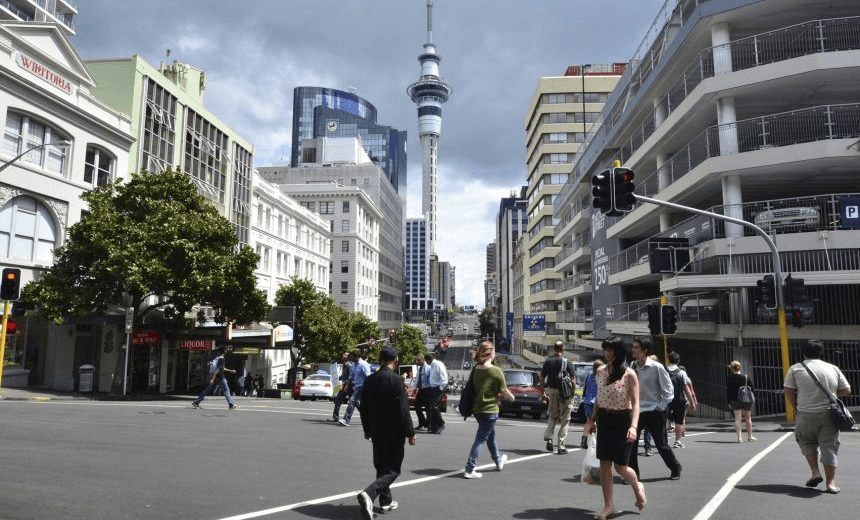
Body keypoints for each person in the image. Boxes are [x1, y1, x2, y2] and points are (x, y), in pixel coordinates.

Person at [583, 336, 646, 520]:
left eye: (611, 350)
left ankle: (637, 486)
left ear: (618, 352)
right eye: (605, 350)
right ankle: (608, 505)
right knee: (604, 464)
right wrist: (591, 420)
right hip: (604, 419)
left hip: (622, 420)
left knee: (621, 467)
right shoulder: (601, 371)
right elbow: (598, 399)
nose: (607, 353)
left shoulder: (629, 374)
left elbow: (635, 404)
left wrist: (634, 427)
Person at [784, 339, 851, 494]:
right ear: (821, 353)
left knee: (806, 442)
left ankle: (815, 472)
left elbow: (788, 390)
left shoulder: (795, 368)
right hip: (829, 414)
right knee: (829, 447)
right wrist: (832, 394)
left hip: (805, 414)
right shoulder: (833, 368)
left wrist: (795, 408)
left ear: (803, 352)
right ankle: (831, 484)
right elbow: (847, 390)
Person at [356, 347, 416, 519]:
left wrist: (367, 429)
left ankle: (386, 502)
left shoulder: (370, 380)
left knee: (382, 467)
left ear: (380, 359)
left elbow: (363, 408)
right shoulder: (397, 380)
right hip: (394, 431)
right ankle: (369, 493)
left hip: (376, 430)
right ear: (395, 360)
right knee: (393, 469)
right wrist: (410, 432)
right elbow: (403, 410)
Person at [628, 336, 682, 480]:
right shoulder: (632, 366)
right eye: (633, 347)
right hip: (637, 411)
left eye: (636, 348)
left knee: (661, 444)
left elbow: (669, 390)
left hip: (654, 411)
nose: (633, 350)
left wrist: (660, 406)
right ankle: (634, 475)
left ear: (644, 351)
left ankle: (675, 467)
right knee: (631, 443)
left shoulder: (657, 367)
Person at [463, 341, 515, 479]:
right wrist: (512, 397)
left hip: (477, 410)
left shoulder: (476, 370)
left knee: (490, 436)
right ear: (491, 353)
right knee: (481, 439)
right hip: (490, 410)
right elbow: (504, 391)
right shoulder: (496, 370)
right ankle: (470, 468)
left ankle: (498, 461)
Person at [541, 340, 576, 454]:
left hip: (553, 391)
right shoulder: (568, 362)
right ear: (563, 349)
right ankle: (561, 446)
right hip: (565, 393)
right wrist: (572, 393)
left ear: (554, 349)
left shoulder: (548, 361)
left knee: (552, 415)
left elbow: (542, 379)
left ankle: (549, 438)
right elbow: (573, 381)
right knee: (565, 420)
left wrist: (543, 393)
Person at [192, 346, 238, 410]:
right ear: (224, 351)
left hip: (216, 377)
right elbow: (218, 369)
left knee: (207, 390)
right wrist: (213, 378)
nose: (227, 350)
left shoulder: (217, 358)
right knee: (226, 390)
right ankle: (231, 404)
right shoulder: (222, 359)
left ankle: (196, 402)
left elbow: (221, 368)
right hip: (220, 377)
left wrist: (230, 371)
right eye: (226, 349)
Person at [667, 351, 697, 448]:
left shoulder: (664, 370)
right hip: (679, 400)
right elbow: (687, 388)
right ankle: (677, 441)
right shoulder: (681, 372)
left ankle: (663, 439)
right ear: (678, 361)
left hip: (666, 400)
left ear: (669, 359)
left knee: (664, 419)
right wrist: (692, 402)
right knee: (679, 421)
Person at [338, 351, 371, 427]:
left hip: (363, 386)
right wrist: (346, 386)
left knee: (352, 400)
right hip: (357, 386)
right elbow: (351, 377)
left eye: (352, 357)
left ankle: (346, 420)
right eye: (350, 357)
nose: (351, 358)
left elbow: (368, 377)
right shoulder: (353, 365)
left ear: (357, 357)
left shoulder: (364, 364)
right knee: (360, 404)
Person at [726, 360, 756, 443]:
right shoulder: (746, 378)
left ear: (732, 369)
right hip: (746, 400)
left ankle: (739, 438)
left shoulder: (729, 379)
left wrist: (729, 402)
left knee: (737, 418)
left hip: (735, 401)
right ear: (740, 367)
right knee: (748, 418)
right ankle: (750, 436)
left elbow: (728, 391)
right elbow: (752, 390)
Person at [580, 359, 604, 450]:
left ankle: (584, 440)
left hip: (587, 400)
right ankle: (594, 441)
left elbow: (585, 389)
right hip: (596, 402)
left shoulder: (589, 375)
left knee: (588, 422)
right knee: (596, 422)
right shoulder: (601, 376)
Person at [424, 353, 448, 434]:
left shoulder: (438, 364)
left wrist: (441, 389)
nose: (426, 363)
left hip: (439, 387)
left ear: (428, 360)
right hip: (434, 388)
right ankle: (434, 427)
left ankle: (441, 423)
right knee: (432, 407)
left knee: (434, 406)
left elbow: (444, 377)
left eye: (426, 361)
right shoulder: (432, 365)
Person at [330, 352, 353, 422]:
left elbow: (351, 377)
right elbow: (344, 376)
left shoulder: (350, 365)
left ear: (348, 357)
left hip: (349, 386)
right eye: (343, 354)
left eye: (345, 355)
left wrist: (346, 385)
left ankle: (366, 417)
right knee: (338, 400)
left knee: (355, 403)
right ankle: (335, 417)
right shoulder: (344, 364)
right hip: (344, 386)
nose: (343, 356)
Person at [413, 355, 430, 431]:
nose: (417, 362)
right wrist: (414, 387)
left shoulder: (428, 368)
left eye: (419, 360)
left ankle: (428, 424)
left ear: (423, 360)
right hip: (420, 390)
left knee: (428, 408)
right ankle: (422, 423)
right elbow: (417, 379)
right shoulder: (420, 368)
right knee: (417, 406)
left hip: (427, 390)